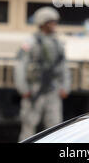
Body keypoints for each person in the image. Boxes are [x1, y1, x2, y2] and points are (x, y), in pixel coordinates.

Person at [14, 7, 71, 141]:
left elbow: (63, 66)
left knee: (55, 125)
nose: (54, 25)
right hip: (35, 89)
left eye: (54, 22)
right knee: (29, 124)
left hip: (53, 89)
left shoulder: (57, 43)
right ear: (42, 23)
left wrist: (65, 87)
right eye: (50, 22)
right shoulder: (30, 42)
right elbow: (21, 66)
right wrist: (23, 88)